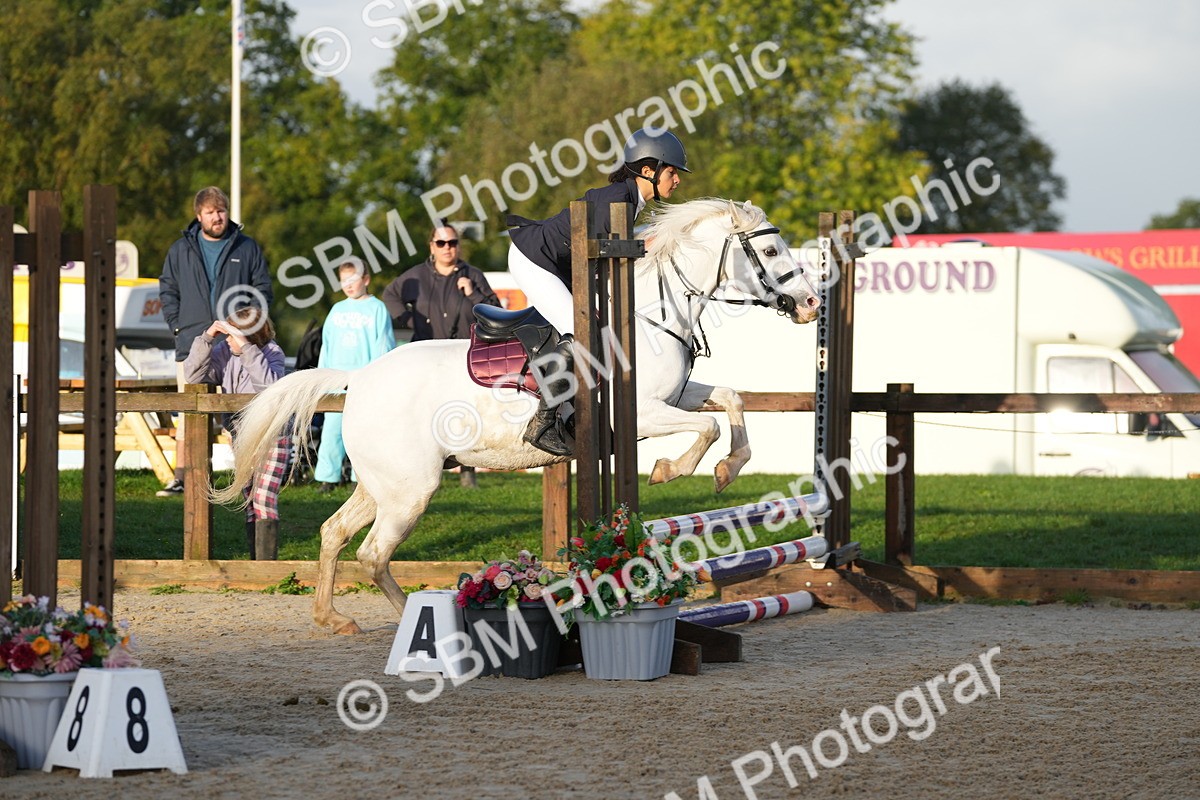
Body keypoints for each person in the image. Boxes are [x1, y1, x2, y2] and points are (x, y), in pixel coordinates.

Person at [507, 128, 689, 455]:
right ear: (648, 170)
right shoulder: (617, 200)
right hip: (533, 260)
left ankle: (574, 412)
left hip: (559, 264)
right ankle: (543, 422)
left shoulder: (629, 201)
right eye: (672, 172)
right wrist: (644, 245)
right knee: (582, 333)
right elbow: (602, 251)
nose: (676, 180)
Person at [158, 186, 273, 496]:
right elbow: (168, 290)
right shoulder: (180, 250)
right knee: (189, 412)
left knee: (241, 411)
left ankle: (247, 476)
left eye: (221, 211)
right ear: (199, 216)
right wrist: (178, 328)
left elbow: (262, 290)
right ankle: (184, 478)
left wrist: (249, 330)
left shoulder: (246, 248)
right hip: (193, 344)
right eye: (210, 212)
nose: (217, 217)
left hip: (238, 346)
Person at [382, 222, 501, 487]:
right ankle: (421, 466)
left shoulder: (473, 275)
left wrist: (472, 293)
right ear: (432, 246)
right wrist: (410, 321)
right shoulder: (416, 276)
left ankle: (467, 467)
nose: (447, 248)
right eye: (441, 243)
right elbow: (390, 295)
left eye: (453, 242)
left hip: (463, 356)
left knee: (466, 410)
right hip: (426, 355)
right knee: (422, 410)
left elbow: (496, 310)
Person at [184, 306, 287, 559]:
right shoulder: (224, 352)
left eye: (233, 334)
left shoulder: (272, 352)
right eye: (227, 334)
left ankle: (267, 567)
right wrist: (207, 338)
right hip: (242, 435)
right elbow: (193, 376)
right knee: (250, 500)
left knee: (263, 497)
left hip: (272, 435)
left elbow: (269, 386)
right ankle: (256, 563)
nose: (227, 339)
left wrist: (247, 349)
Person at [313, 257, 395, 492]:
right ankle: (327, 477)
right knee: (332, 430)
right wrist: (322, 376)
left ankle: (360, 478)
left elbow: (383, 345)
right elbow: (327, 346)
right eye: (343, 280)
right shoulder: (337, 310)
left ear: (366, 280)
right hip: (337, 380)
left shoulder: (377, 308)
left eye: (353, 279)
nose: (348, 285)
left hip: (364, 380)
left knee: (362, 432)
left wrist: (376, 379)